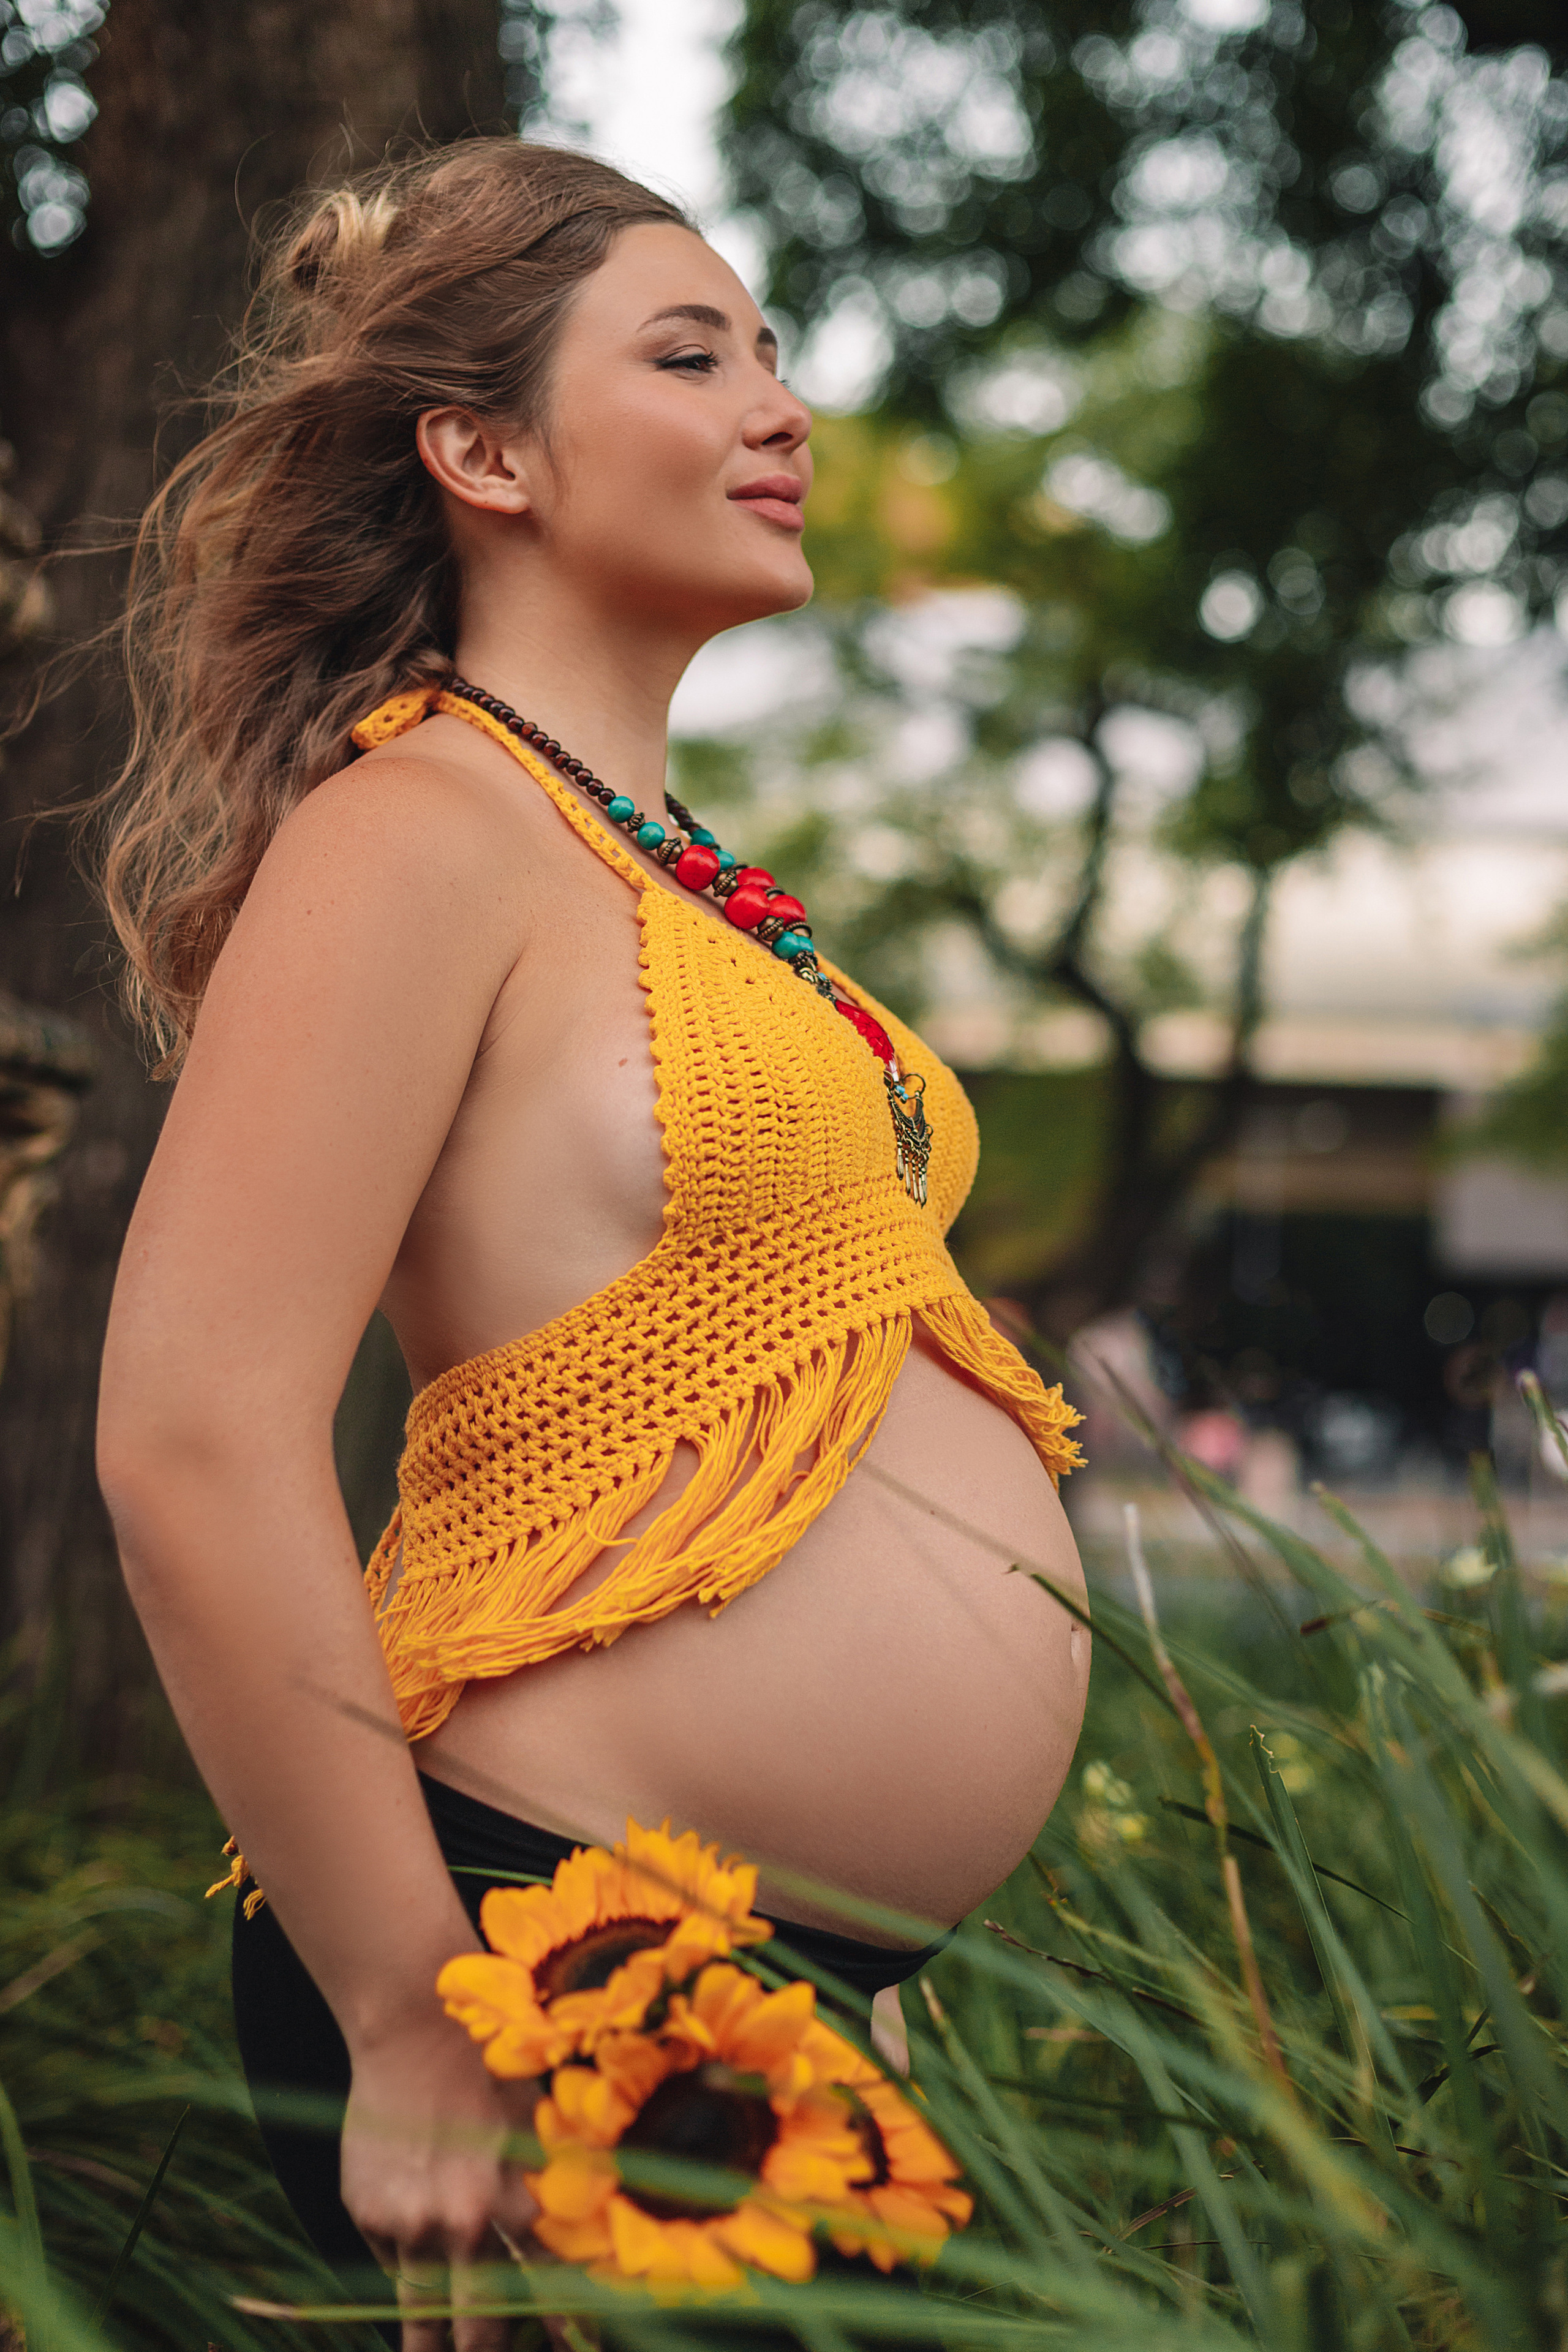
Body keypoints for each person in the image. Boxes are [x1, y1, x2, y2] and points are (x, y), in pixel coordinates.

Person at [94, 140, 1089, 2351]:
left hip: (748, 1975)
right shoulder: (416, 830)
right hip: (522, 1955)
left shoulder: (653, 871)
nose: (783, 408)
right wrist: (406, 2004)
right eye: (689, 351)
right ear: (481, 452)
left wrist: (856, 1957)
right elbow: (190, 1434)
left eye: (774, 352)